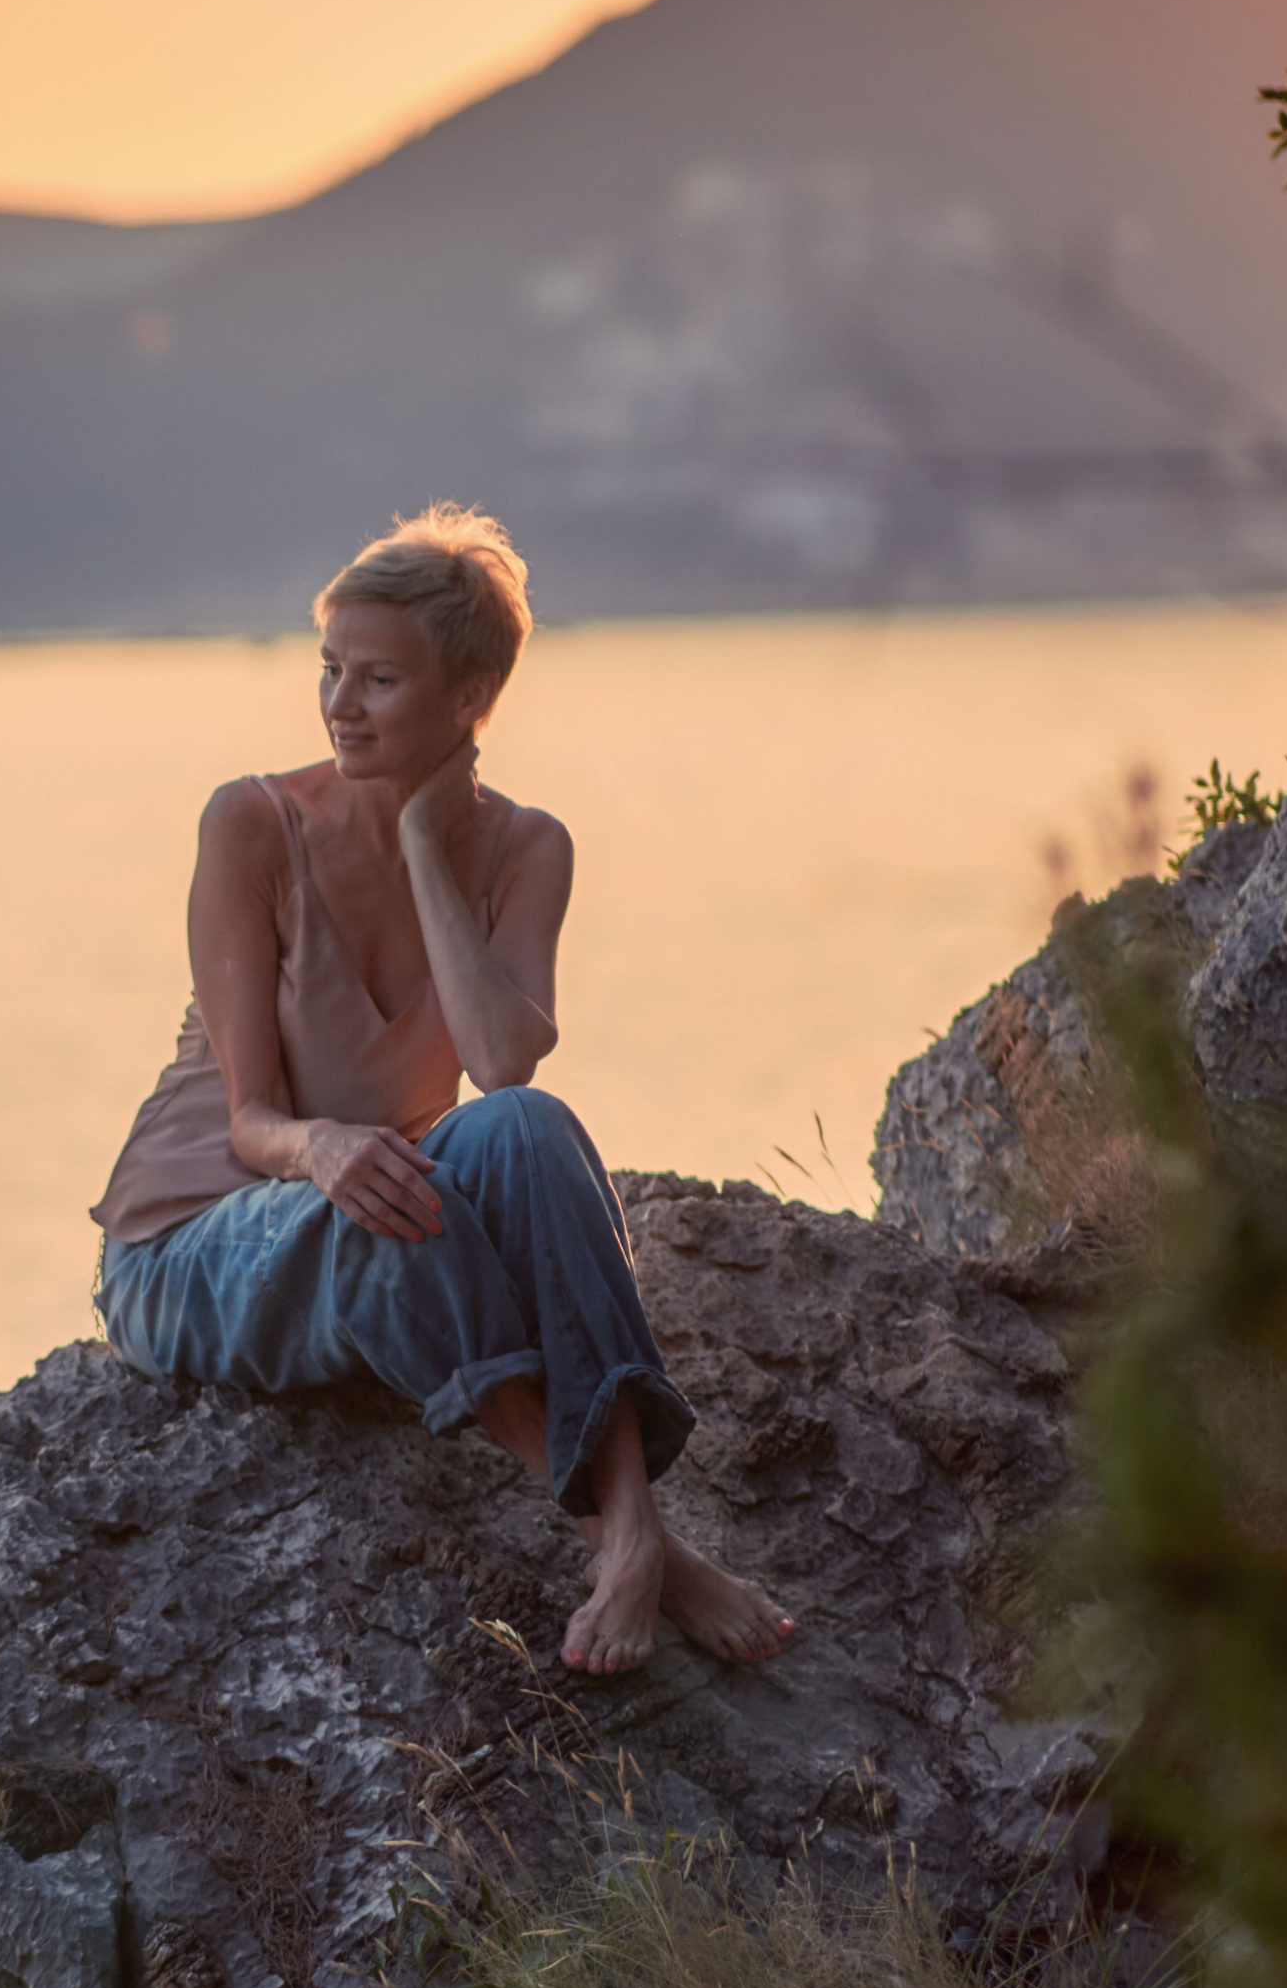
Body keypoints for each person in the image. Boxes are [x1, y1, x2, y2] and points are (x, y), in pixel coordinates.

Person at [92, 505, 793, 1678]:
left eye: (378, 679)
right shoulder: (252, 823)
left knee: (527, 1128)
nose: (339, 704)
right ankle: (641, 1550)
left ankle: (630, 1532)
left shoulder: (526, 851)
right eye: (329, 672)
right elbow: (249, 1123)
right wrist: (321, 1149)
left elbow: (501, 1062)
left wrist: (426, 850)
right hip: (190, 1245)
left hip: (364, 1199)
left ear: (470, 699)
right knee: (383, 1204)